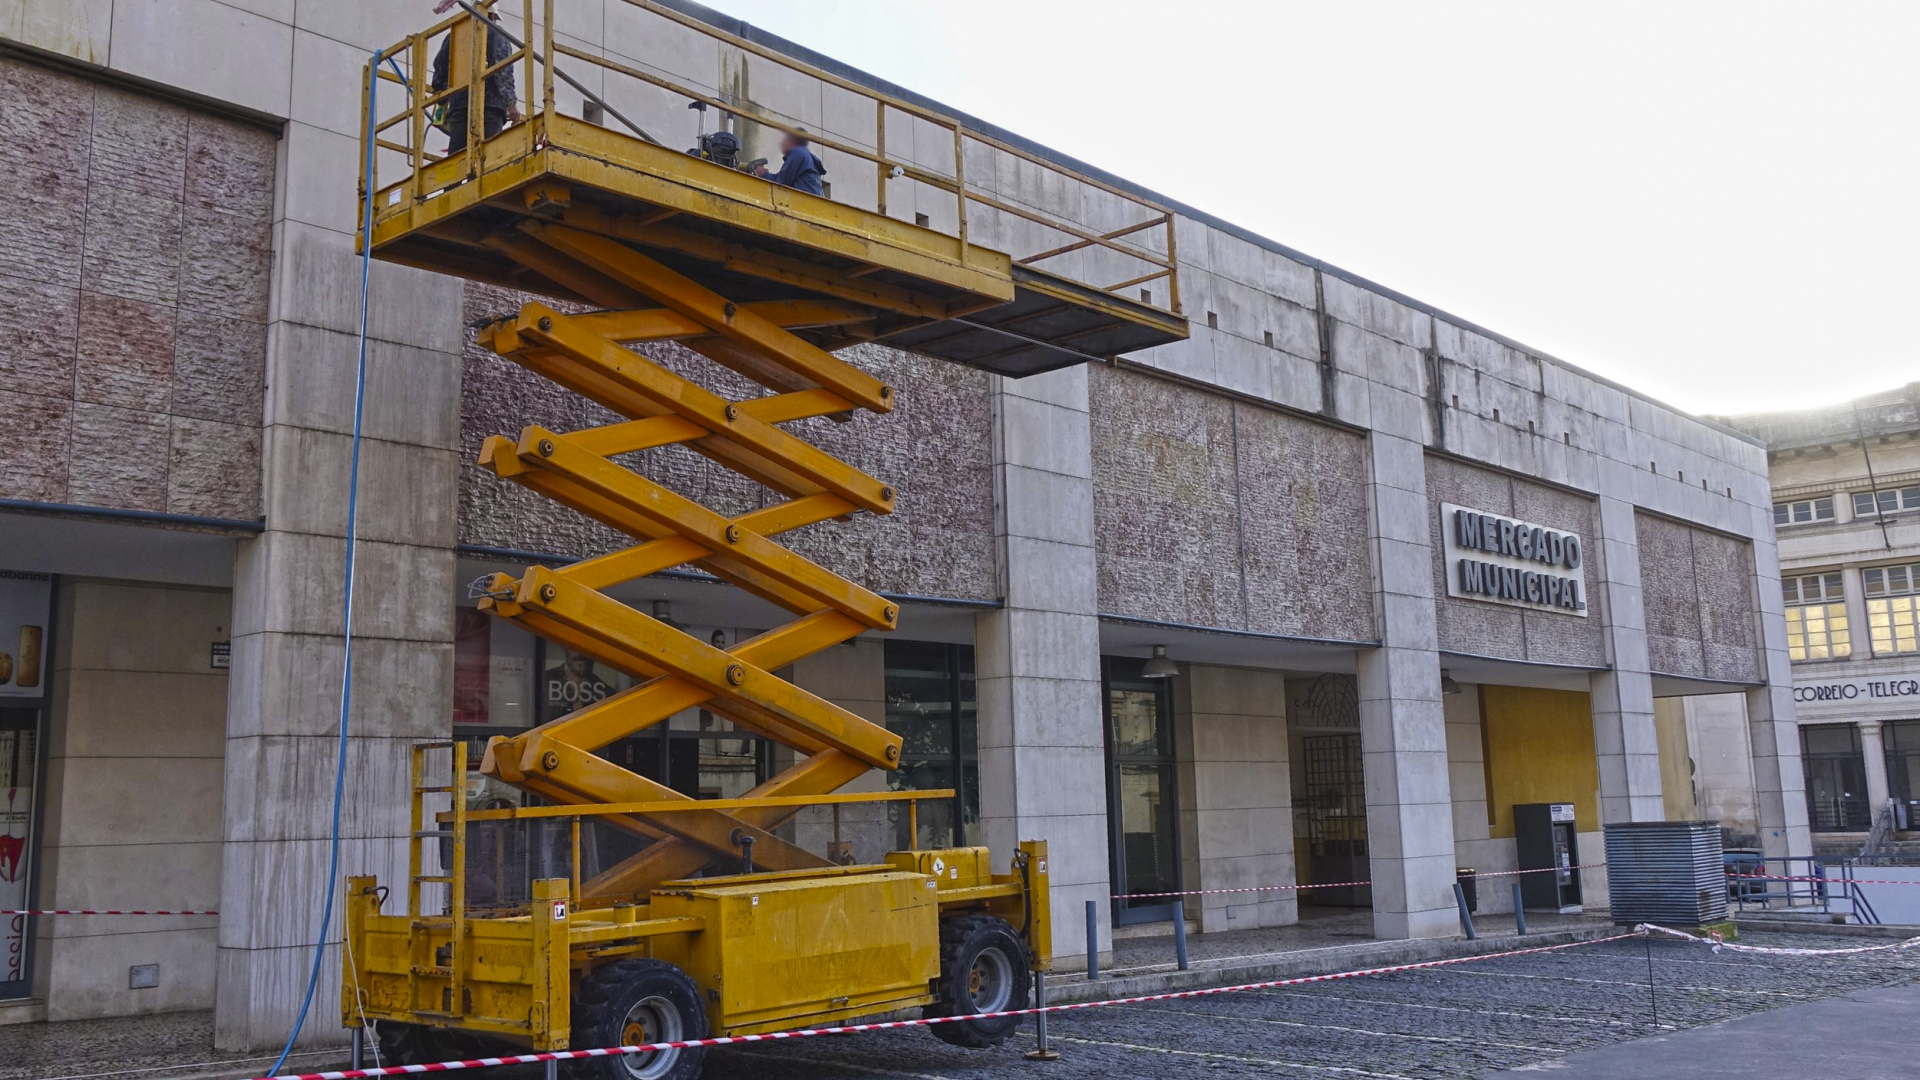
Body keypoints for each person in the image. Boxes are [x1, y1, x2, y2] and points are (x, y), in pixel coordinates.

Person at [429, 2, 521, 152]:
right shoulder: (497, 33)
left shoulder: (455, 35)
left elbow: (440, 71)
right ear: (492, 15)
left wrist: (440, 106)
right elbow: (502, 71)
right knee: (488, 159)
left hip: (459, 107)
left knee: (457, 162)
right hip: (489, 109)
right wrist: (511, 104)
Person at [756, 130, 827, 196]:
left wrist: (764, 174)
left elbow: (782, 182)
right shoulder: (805, 155)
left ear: (792, 141)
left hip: (805, 201)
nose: (782, 143)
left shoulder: (798, 153)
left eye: (786, 139)